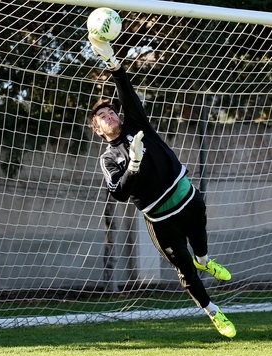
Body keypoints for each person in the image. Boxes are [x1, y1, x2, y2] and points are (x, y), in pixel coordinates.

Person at [87, 36, 236, 338]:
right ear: (98, 130)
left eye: (111, 112)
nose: (110, 115)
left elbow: (127, 93)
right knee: (185, 271)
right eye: (102, 117)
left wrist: (113, 64)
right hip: (161, 218)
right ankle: (214, 313)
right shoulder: (108, 158)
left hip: (185, 195)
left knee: (200, 229)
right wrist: (133, 165)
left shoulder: (135, 124)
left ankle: (206, 260)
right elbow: (117, 193)